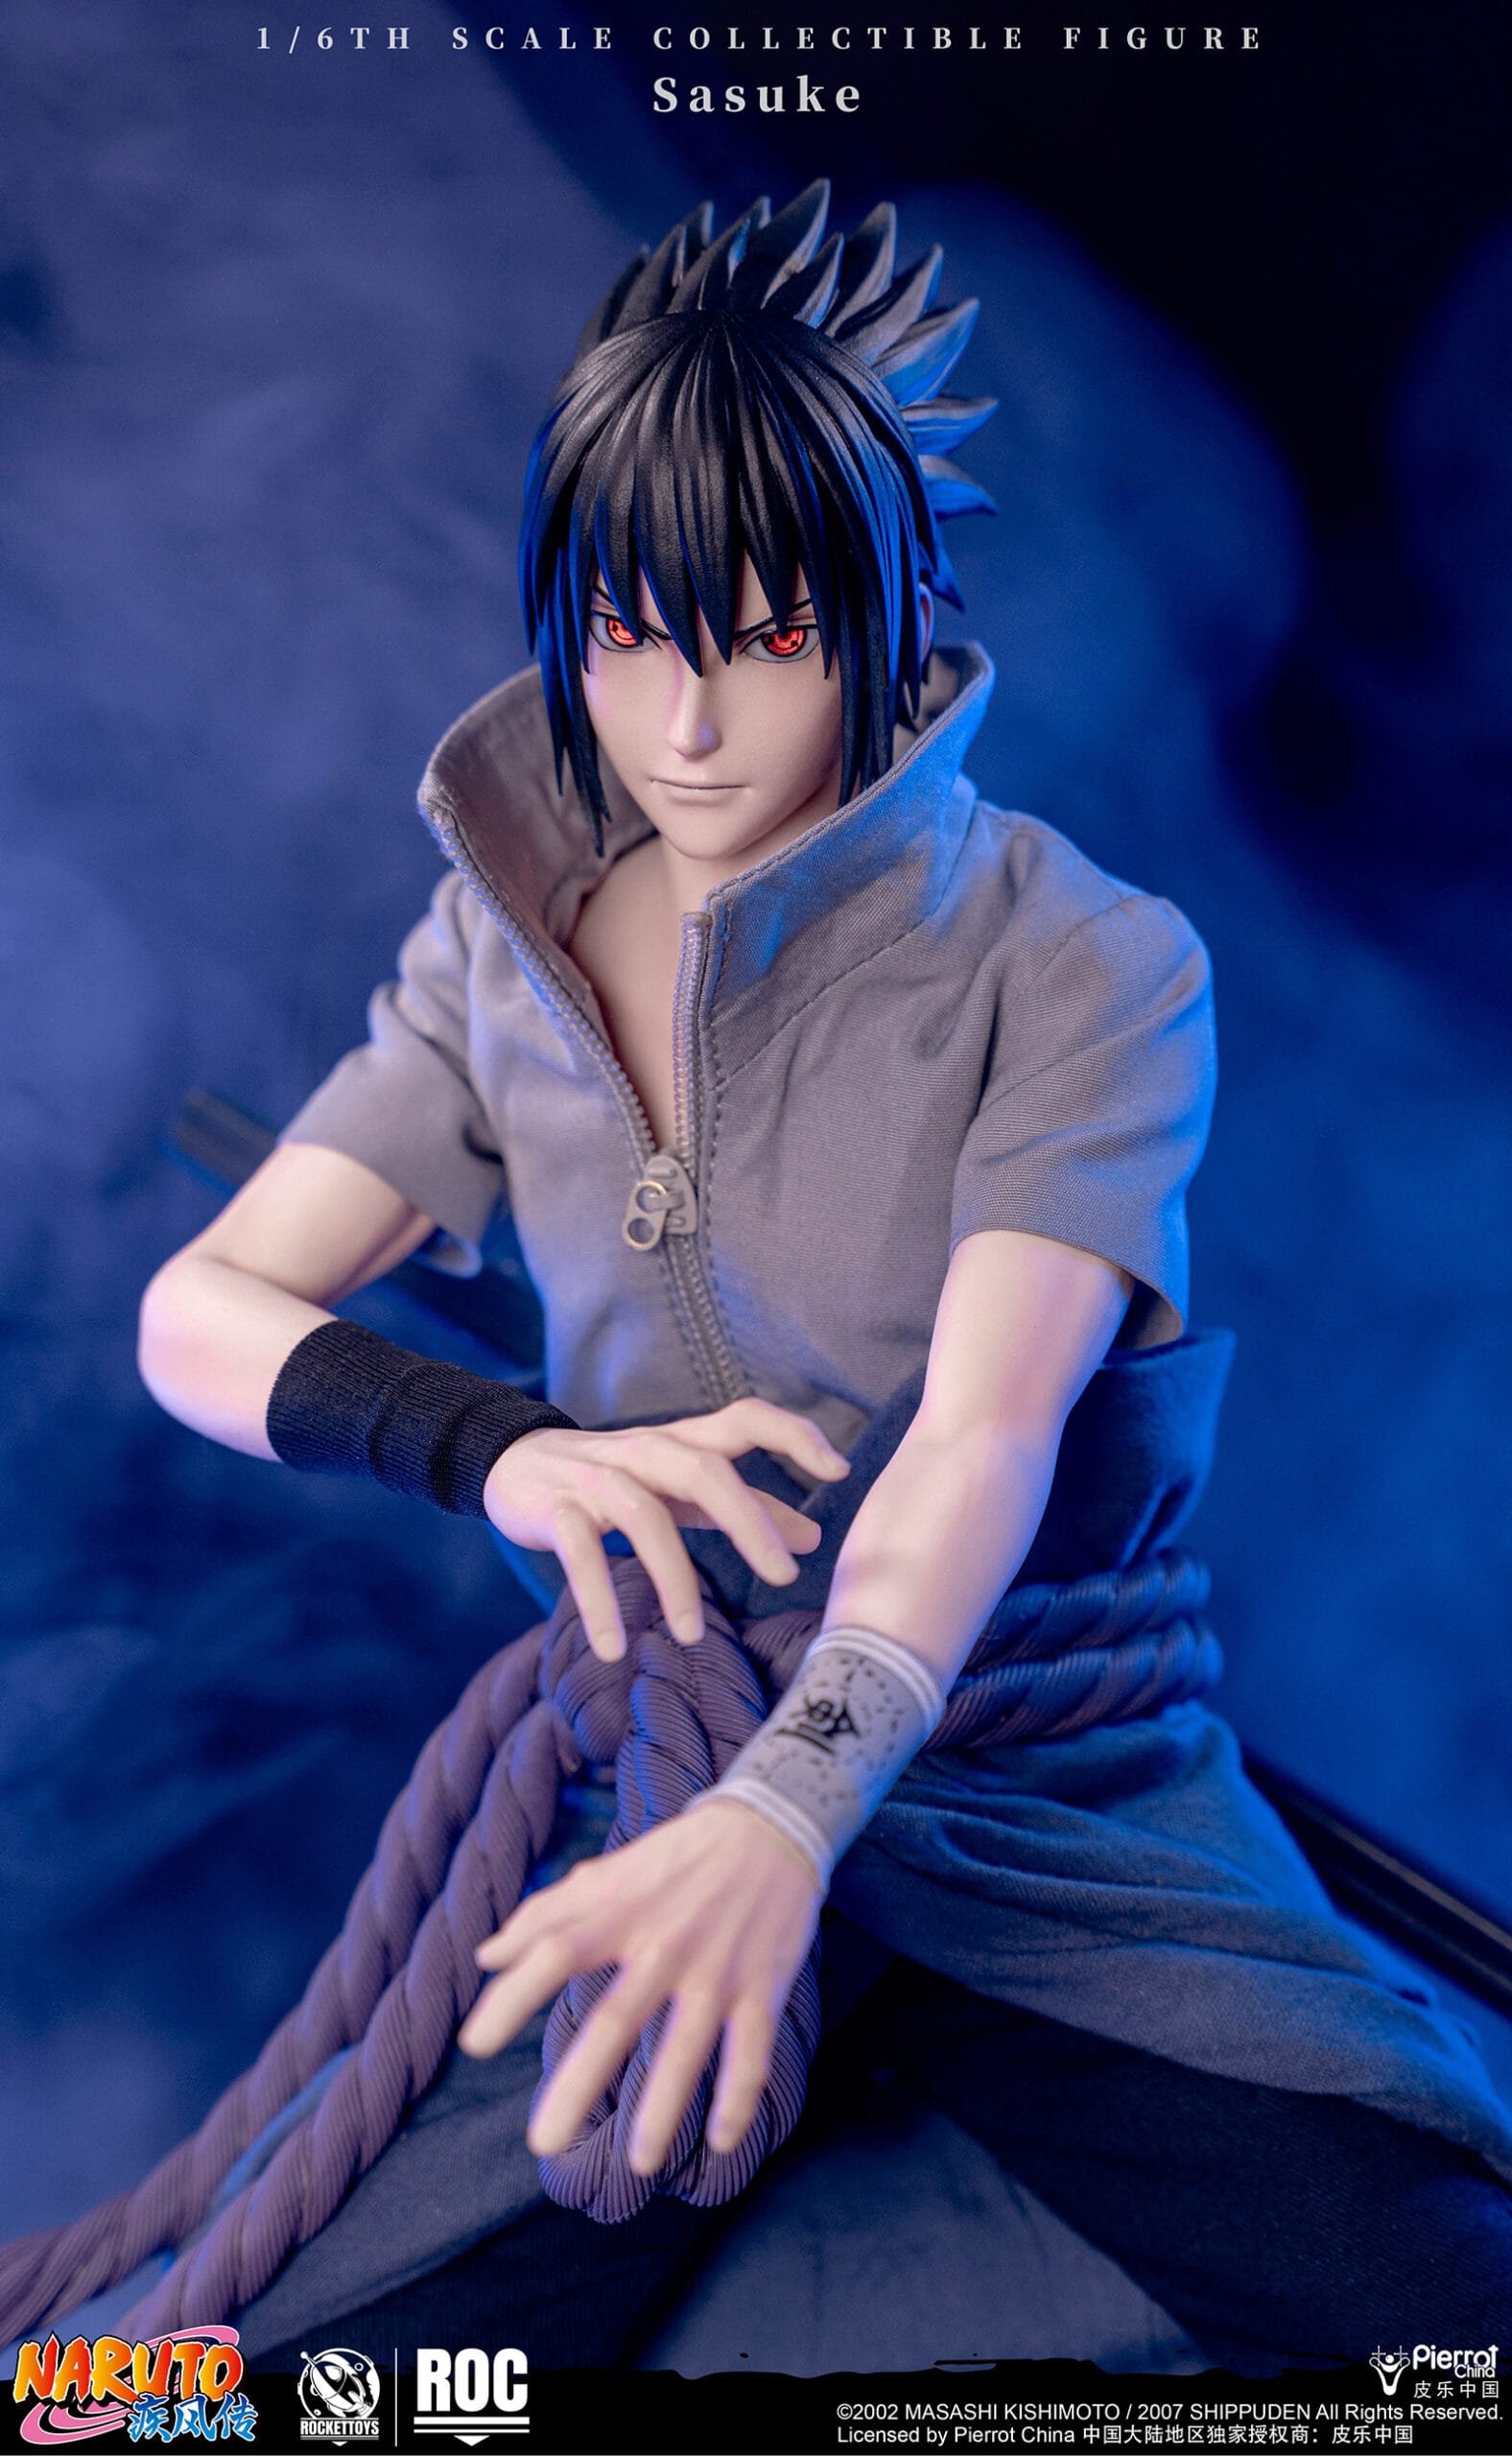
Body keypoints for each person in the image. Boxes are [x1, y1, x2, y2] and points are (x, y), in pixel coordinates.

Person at [9, 182, 1512, 2377]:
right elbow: (201, 1310)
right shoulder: (502, 944)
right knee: (244, 2392)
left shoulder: (1076, 960)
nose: (686, 720)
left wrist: (787, 1817)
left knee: (1441, 2329)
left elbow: (977, 1442)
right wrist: (499, 1450)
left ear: (879, 618)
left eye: (763, 636)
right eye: (630, 635)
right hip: (651, 1768)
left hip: (1047, 1801)